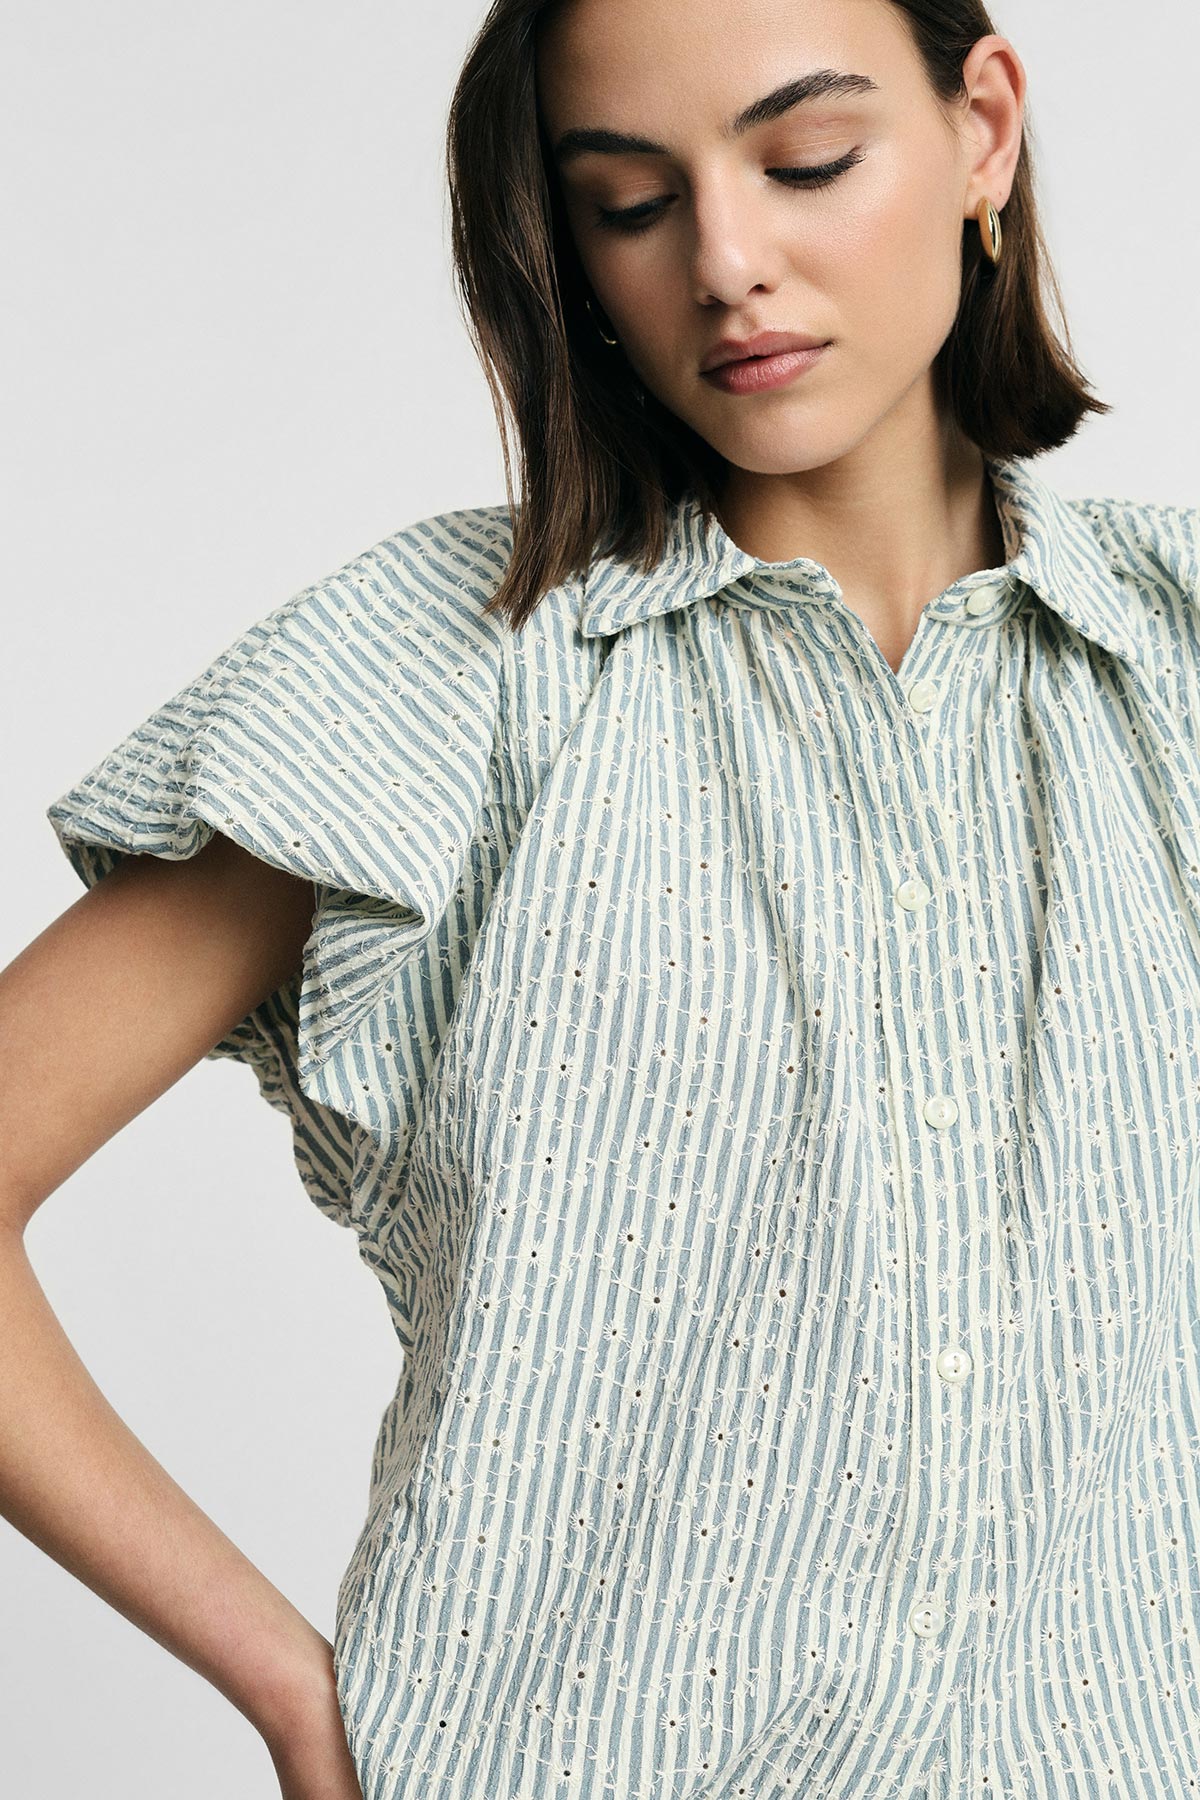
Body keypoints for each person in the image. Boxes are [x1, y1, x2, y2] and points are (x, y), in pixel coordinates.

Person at [3, 1, 1197, 1797]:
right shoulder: (447, 676)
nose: (727, 261)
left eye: (808, 160)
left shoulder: (1173, 660)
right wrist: (291, 1690)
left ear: (984, 130)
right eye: (632, 203)